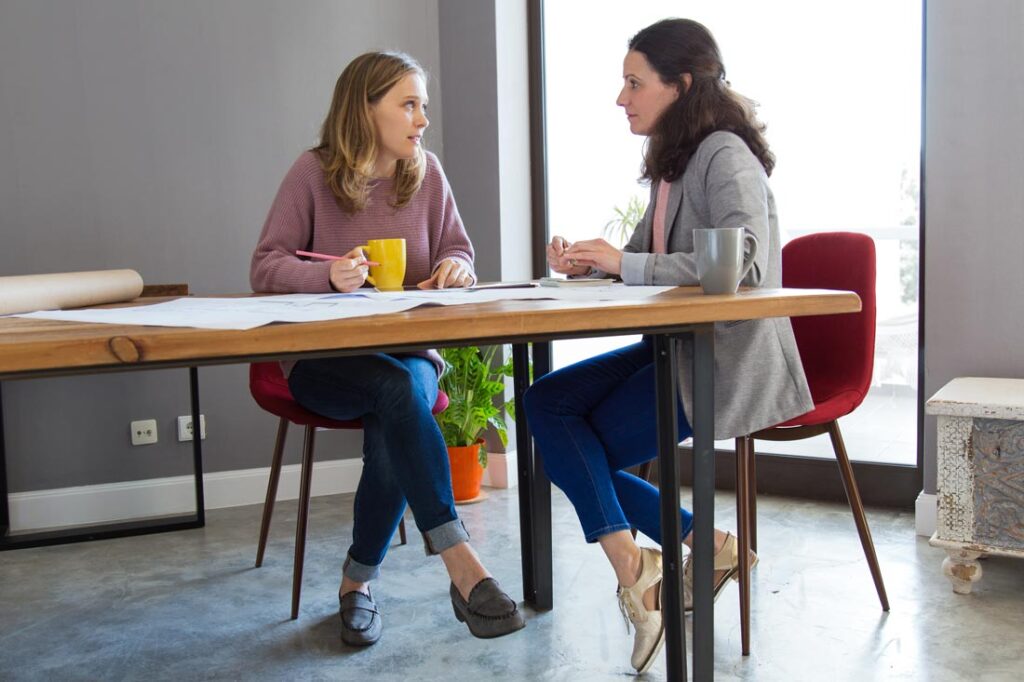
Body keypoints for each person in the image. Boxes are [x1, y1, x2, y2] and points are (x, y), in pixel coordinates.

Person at [523, 19, 812, 673]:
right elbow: (662, 260)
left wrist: (625, 266)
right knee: (548, 406)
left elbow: (741, 263)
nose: (620, 98)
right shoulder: (674, 164)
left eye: (633, 83)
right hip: (677, 350)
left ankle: (644, 576)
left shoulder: (724, 155)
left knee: (567, 446)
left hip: (720, 362)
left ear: (681, 86)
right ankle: (685, 552)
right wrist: (598, 263)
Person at [251, 51, 525, 646]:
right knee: (395, 396)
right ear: (364, 108)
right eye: (408, 104)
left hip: (409, 356)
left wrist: (455, 267)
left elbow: (461, 253)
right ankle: (460, 565)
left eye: (422, 105)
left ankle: (356, 585)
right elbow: (266, 264)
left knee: (396, 402)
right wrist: (325, 277)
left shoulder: (425, 174)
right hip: (325, 363)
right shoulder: (312, 173)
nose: (421, 118)